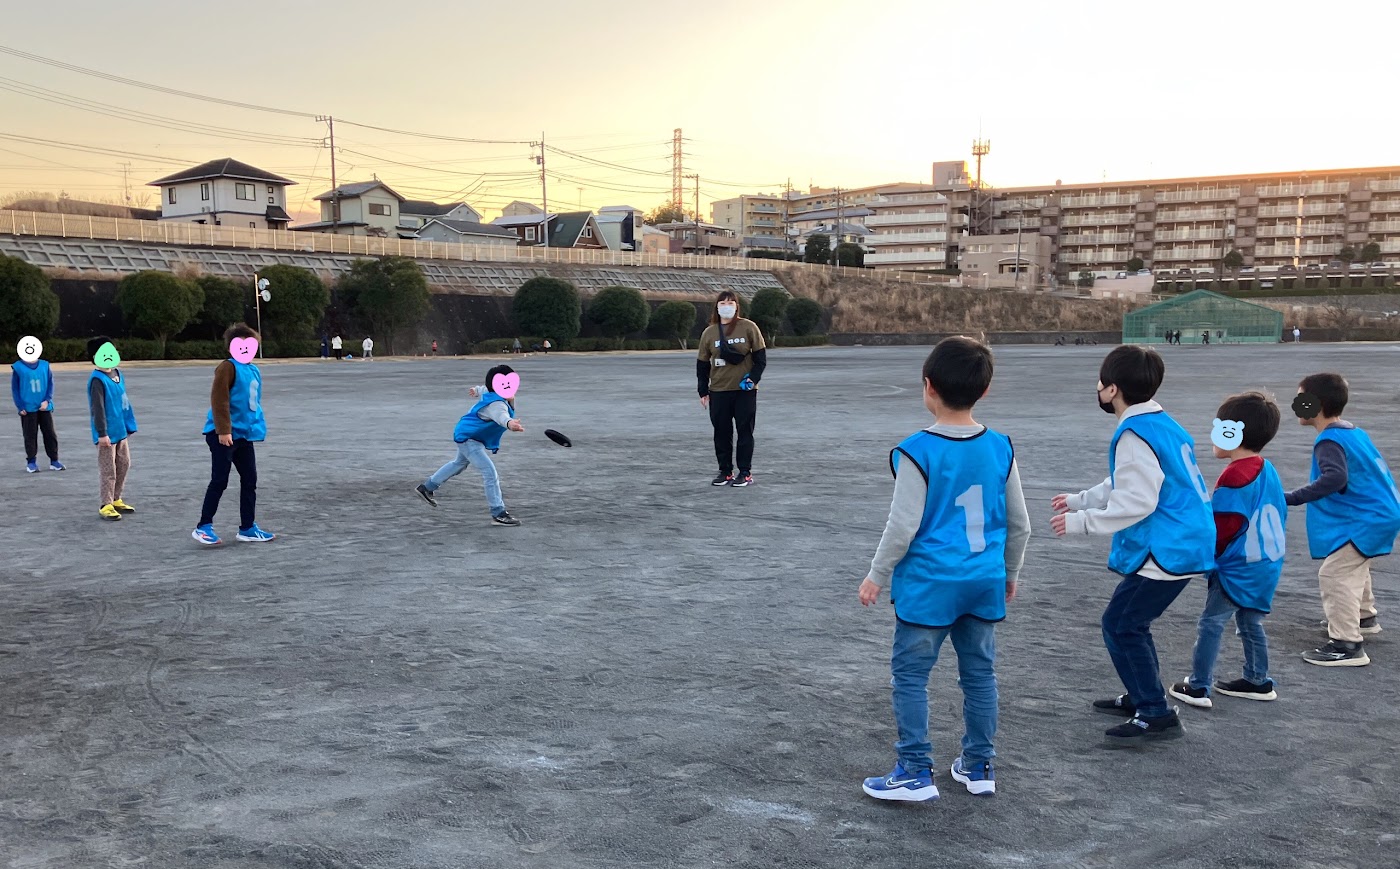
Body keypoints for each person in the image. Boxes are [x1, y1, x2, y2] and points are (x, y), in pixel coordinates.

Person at [857, 337, 1030, 801]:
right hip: (983, 580)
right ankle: (978, 764)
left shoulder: (917, 450)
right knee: (979, 675)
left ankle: (914, 768)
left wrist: (877, 573)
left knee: (911, 675)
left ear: (927, 386)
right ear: (986, 389)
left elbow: (903, 525)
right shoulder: (1000, 447)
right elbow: (1021, 524)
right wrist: (1009, 572)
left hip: (931, 584)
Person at [1052, 345, 1214, 743]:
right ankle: (1144, 698)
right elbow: (1129, 481)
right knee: (1128, 623)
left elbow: (1138, 499)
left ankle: (1155, 711)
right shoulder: (1163, 423)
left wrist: (1082, 522)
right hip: (1185, 540)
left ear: (1111, 389)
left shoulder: (1133, 433)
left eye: (1100, 382)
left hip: (1169, 547)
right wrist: (1082, 498)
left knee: (1123, 625)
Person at [1168, 393, 1287, 709]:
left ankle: (1198, 686)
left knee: (1212, 622)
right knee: (1250, 622)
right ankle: (1258, 680)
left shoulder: (1235, 474)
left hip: (1239, 566)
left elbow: (1224, 526)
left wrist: (1204, 557)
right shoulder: (1265, 467)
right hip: (1266, 562)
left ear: (1234, 433)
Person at [1284, 373, 1400, 667]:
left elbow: (1335, 478)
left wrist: (1292, 497)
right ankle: (1363, 616)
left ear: (1316, 405)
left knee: (1335, 573)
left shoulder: (1328, 440)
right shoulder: (1352, 432)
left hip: (1367, 518)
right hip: (1379, 514)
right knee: (1354, 564)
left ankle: (1347, 644)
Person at [192, 324, 276, 546]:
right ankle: (203, 526)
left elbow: (253, 404)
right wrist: (223, 430)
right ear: (231, 347)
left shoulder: (253, 369)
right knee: (220, 480)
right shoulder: (227, 367)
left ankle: (247, 527)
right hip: (223, 435)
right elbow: (219, 400)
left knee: (250, 479)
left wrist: (255, 429)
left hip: (243, 436)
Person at [414, 365, 523, 526]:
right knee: (489, 472)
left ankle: (426, 487)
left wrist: (476, 390)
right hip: (469, 438)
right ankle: (498, 512)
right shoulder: (497, 404)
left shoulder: (493, 392)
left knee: (459, 464)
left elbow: (485, 389)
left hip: (469, 434)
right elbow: (501, 416)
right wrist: (510, 424)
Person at [697, 290, 767, 487]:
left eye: (730, 302)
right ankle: (725, 471)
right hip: (719, 390)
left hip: (744, 390)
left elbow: (760, 359)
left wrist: (753, 380)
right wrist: (703, 391)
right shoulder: (709, 333)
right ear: (717, 307)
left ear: (737, 306)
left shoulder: (748, 327)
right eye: (722, 303)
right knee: (721, 432)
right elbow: (702, 364)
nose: (726, 306)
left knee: (745, 431)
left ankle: (745, 472)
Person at [86, 336, 138, 522]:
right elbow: (97, 409)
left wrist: (128, 424)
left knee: (123, 464)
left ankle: (116, 498)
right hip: (107, 433)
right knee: (109, 470)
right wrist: (102, 433)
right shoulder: (97, 380)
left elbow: (123, 401)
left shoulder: (117, 373)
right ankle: (105, 504)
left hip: (120, 430)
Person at [11, 339, 63, 473]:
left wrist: (47, 400)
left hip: (44, 407)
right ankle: (31, 462)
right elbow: (15, 388)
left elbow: (50, 384)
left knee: (50, 433)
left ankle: (54, 460)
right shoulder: (18, 367)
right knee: (30, 435)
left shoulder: (45, 365)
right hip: (28, 408)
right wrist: (20, 405)